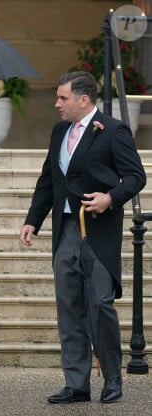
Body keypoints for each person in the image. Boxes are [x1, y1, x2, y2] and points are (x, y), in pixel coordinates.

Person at [20, 71, 146, 404]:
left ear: (84, 99)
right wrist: (34, 220)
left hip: (98, 232)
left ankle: (112, 379)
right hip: (65, 231)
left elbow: (136, 177)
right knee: (69, 307)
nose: (57, 104)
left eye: (63, 98)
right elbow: (49, 178)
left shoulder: (113, 130)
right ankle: (76, 383)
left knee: (100, 305)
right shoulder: (60, 130)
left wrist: (110, 198)